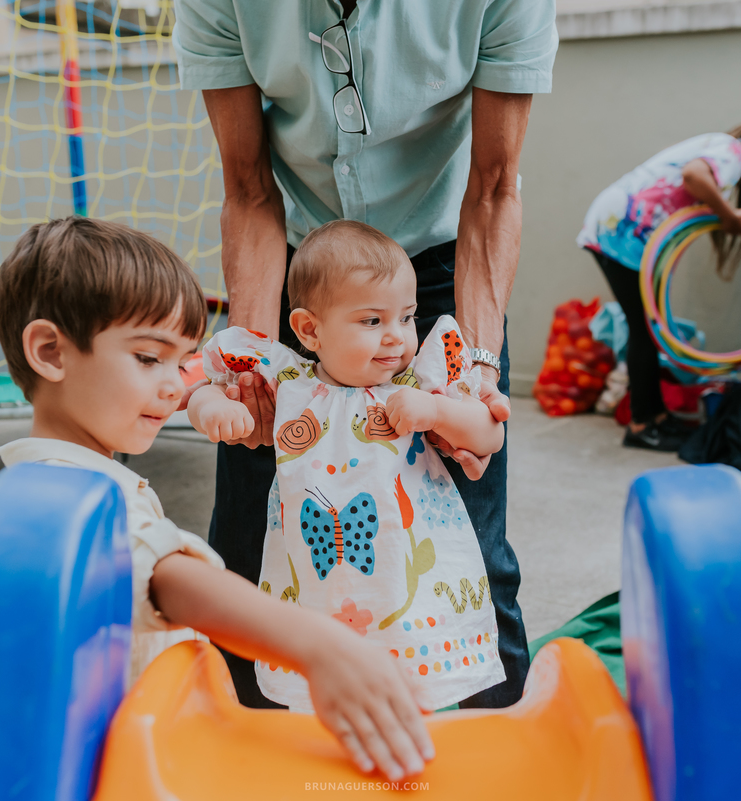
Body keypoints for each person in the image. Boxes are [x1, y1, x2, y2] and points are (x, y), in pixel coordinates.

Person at [173, 0, 557, 710]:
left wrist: (473, 374)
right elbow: (248, 187)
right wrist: (250, 366)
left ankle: (484, 744)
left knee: (471, 536)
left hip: (438, 270)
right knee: (248, 537)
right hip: (304, 268)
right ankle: (248, 755)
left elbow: (494, 186)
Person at [0, 217, 434, 781]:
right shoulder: (67, 491)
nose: (176, 385)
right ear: (51, 352)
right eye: (149, 358)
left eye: (181, 362)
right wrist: (322, 648)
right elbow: (166, 577)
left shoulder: (48, 475)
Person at [189, 221, 506, 712]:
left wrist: (439, 412)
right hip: (316, 579)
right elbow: (206, 387)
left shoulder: (418, 381)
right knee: (316, 692)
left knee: (416, 692)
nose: (397, 337)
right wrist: (215, 410)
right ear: (309, 330)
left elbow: (489, 432)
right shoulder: (288, 379)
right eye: (372, 322)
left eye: (406, 317)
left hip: (408, 583)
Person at [577, 121, 741, 451]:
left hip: (619, 224)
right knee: (644, 329)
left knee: (648, 328)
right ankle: (643, 424)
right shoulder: (734, 152)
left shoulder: (716, 145)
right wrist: (729, 214)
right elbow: (693, 177)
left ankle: (656, 416)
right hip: (622, 229)